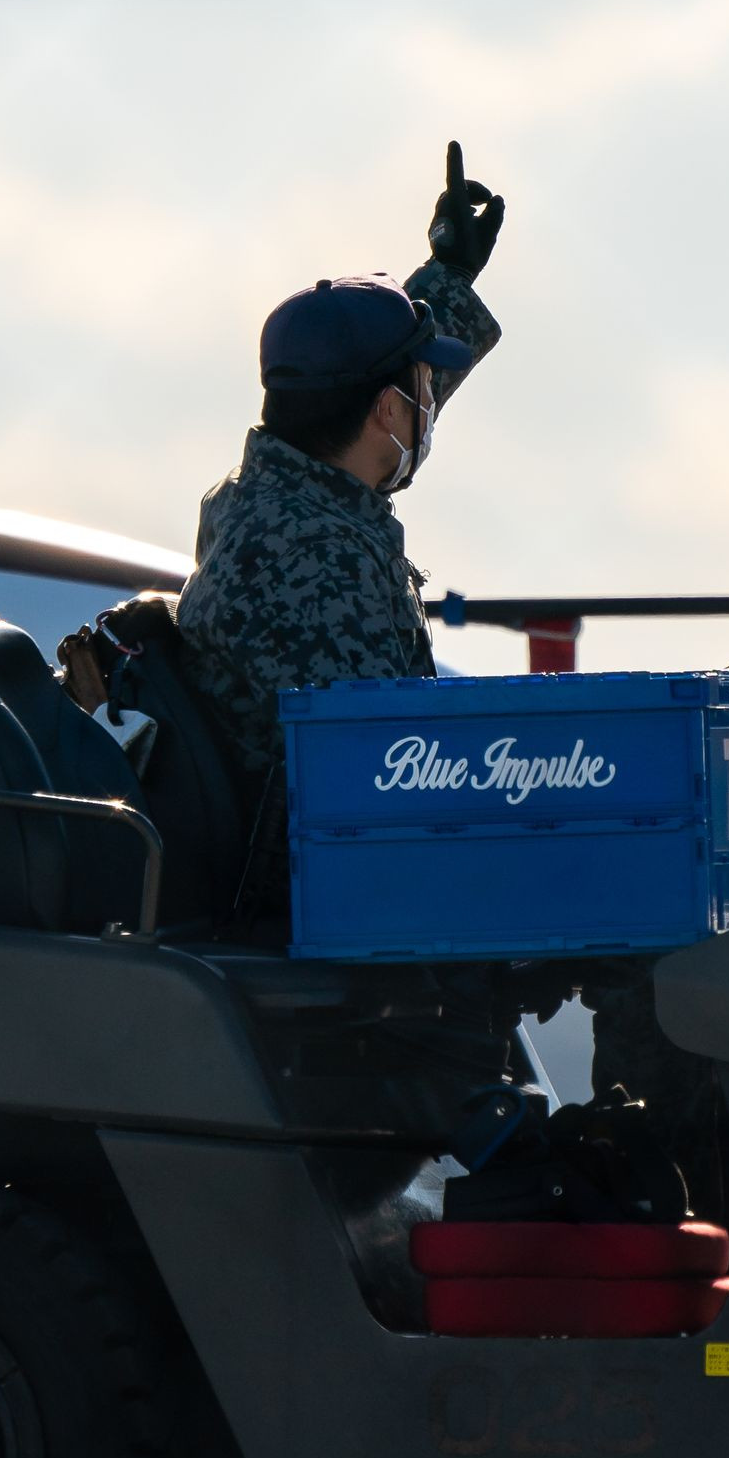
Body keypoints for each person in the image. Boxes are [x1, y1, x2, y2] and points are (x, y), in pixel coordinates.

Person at [173, 142, 506, 909]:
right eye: (422, 387)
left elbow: (380, 385)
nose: (431, 402)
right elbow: (389, 781)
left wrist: (449, 277)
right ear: (387, 409)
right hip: (327, 911)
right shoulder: (317, 559)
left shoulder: (265, 497)